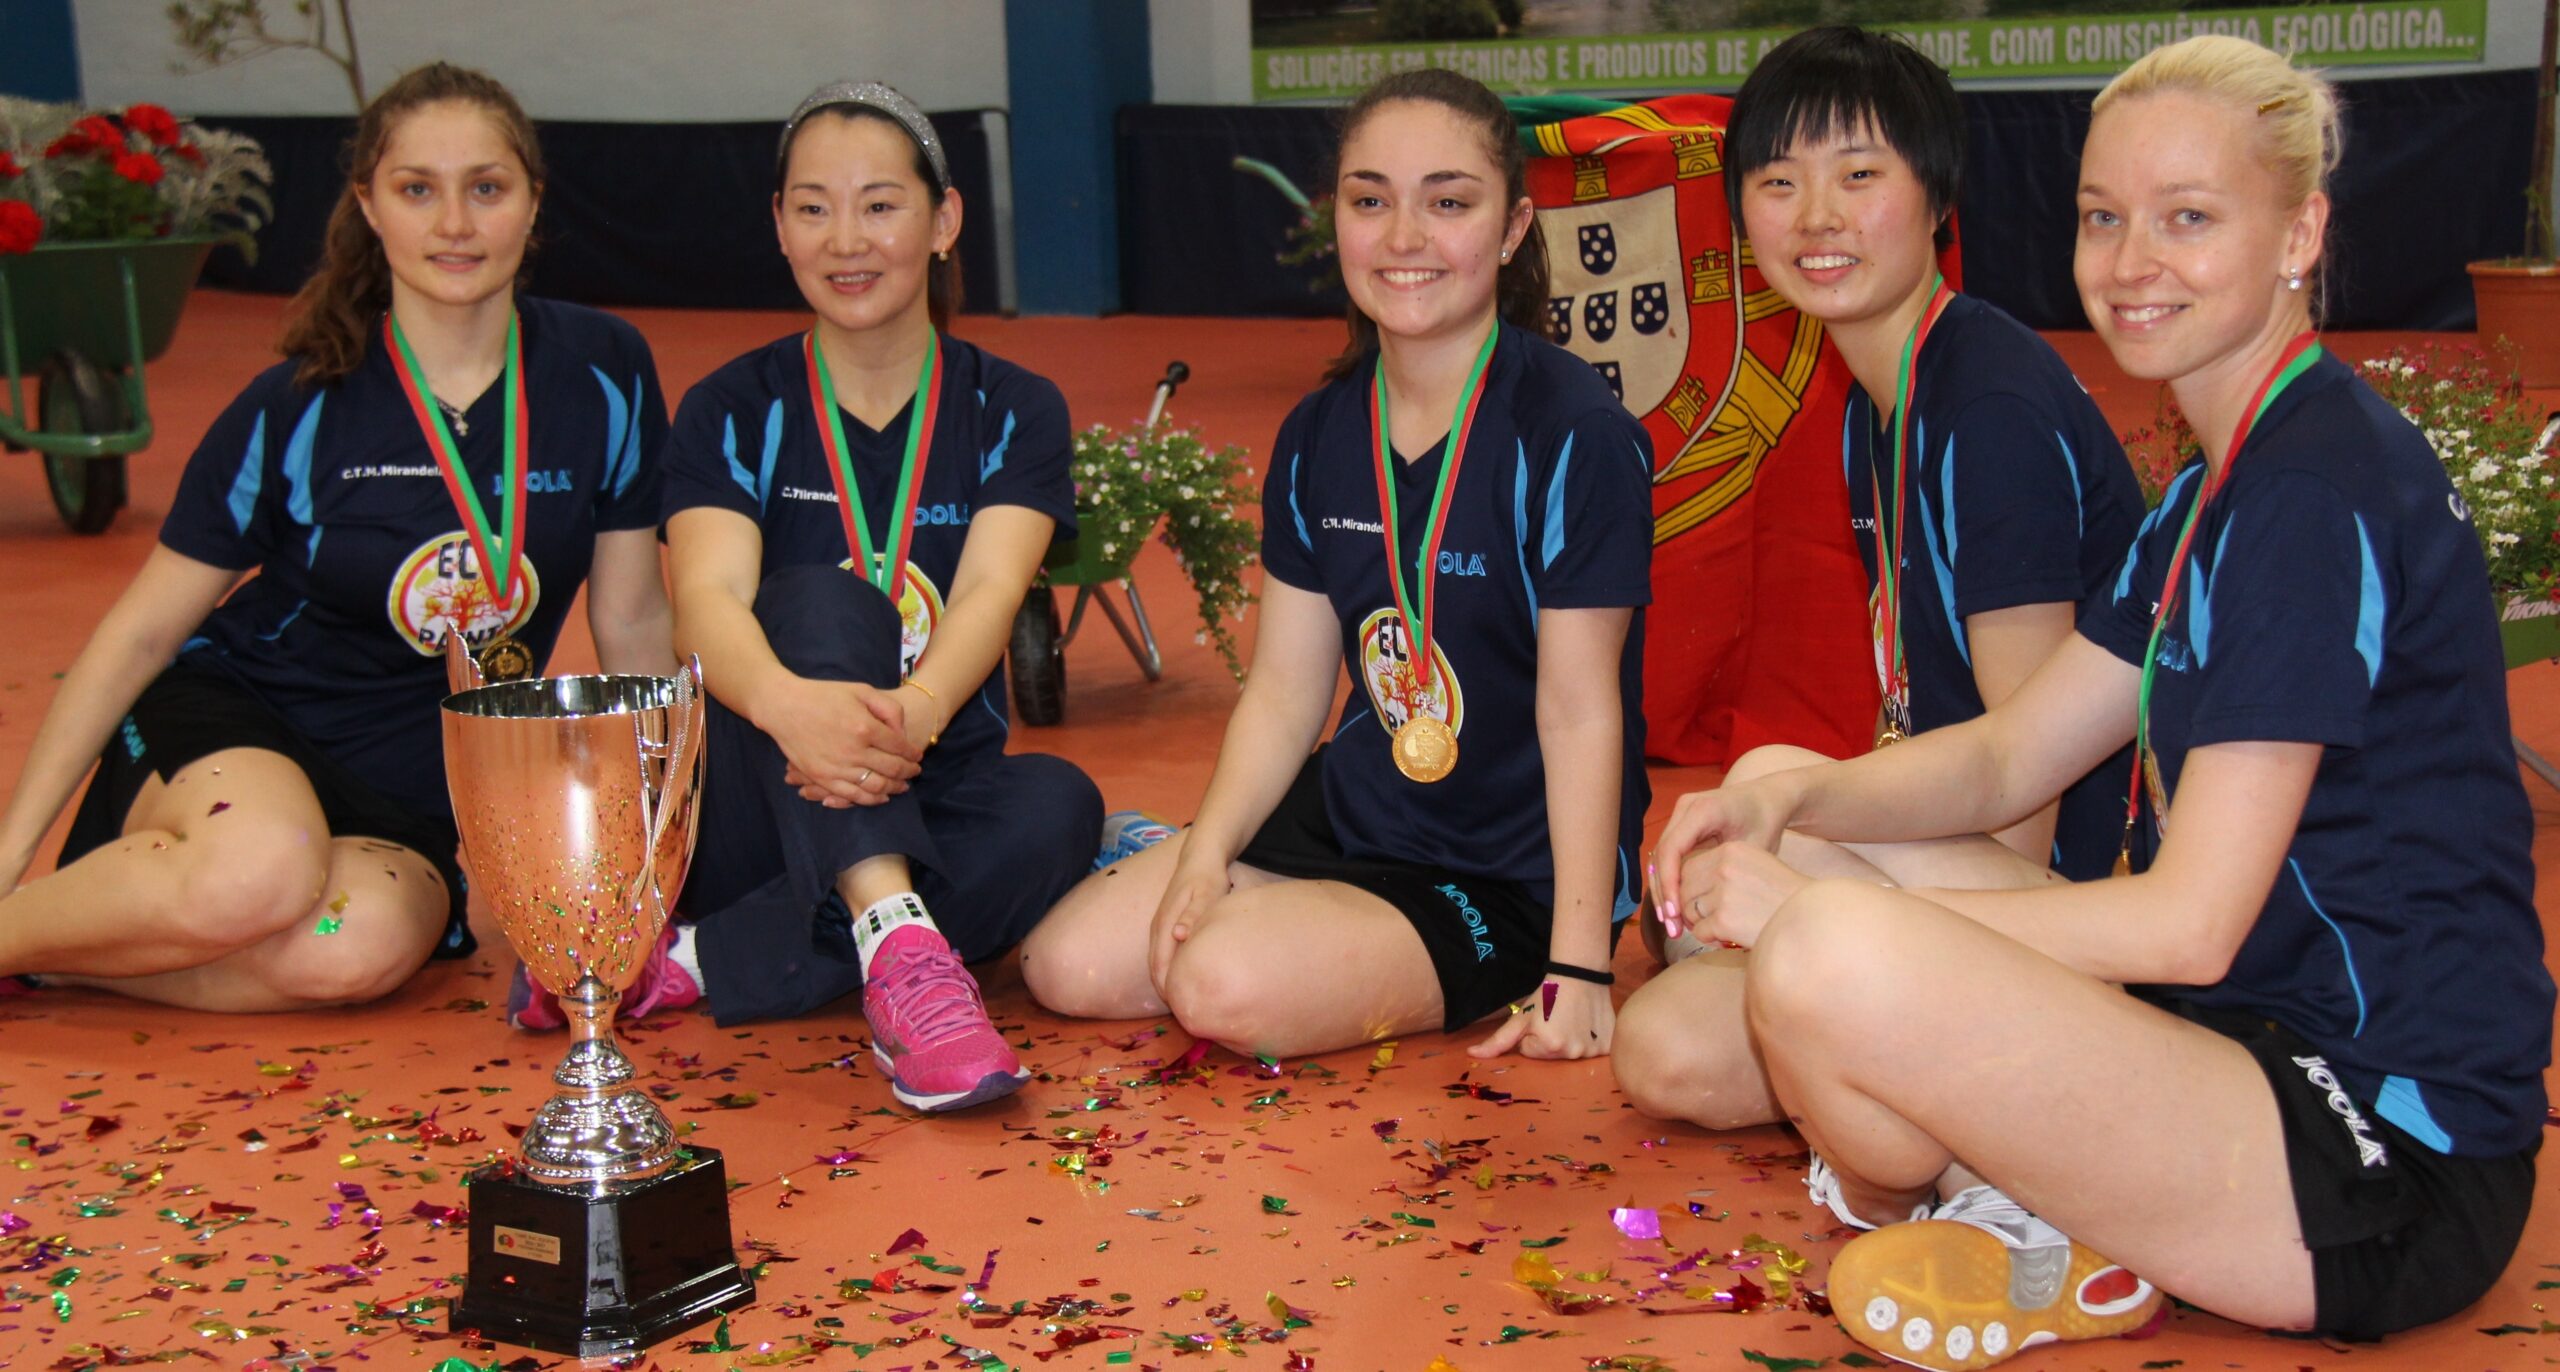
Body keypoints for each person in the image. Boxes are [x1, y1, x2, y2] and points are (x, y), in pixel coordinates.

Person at [1651, 35, 2549, 1370]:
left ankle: (2019, 1199)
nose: (2134, 262)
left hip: (2376, 1153)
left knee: (1829, 953)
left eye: (2189, 220)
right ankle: (2039, 1201)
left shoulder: (2306, 491)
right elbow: (2018, 751)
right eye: (2103, 218)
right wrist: (1786, 798)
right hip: (2235, 1042)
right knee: (1801, 816)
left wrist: (1825, 917)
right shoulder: (2213, 487)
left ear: (2300, 230)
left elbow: (2190, 926)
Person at [0, 63, 675, 1012]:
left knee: (344, 950)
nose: (454, 223)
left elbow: (633, 618)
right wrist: (6, 849)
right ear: (368, 205)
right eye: (416, 190)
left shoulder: (605, 373)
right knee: (262, 874)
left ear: (532, 201)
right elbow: (142, 633)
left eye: (486, 188)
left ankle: (81, 946)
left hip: (404, 803)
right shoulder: (301, 405)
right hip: (243, 728)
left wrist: (664, 842)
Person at [1020, 67, 1653, 1062]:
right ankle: (1251, 886)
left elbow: (1580, 710)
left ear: (1514, 227)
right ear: (1338, 222)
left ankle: (1382, 937)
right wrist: (1212, 847)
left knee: (1220, 987)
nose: (1403, 237)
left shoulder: (1572, 433)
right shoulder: (1319, 434)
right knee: (1069, 966)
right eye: (1371, 200)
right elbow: (1283, 690)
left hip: (1508, 867)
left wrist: (1579, 961)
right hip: (1357, 811)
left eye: (1447, 202)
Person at [1611, 23, 2146, 1138]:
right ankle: (1909, 1070)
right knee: (1668, 1047)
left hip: (2081, 909)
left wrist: (1814, 891)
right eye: (1778, 181)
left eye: (1859, 176)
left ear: (1936, 195)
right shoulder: (1879, 396)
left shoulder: (1987, 409)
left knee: (1767, 806)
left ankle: (1972, 1087)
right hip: (1966, 872)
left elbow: (2025, 801)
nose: (1816, 217)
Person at [660, 82, 1100, 1113]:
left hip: (928, 769)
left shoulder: (1014, 409)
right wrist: (788, 706)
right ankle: (906, 959)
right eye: (812, 207)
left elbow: (993, 586)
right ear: (778, 226)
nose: (845, 239)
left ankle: (707, 956)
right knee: (820, 600)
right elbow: (708, 600)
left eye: (880, 205)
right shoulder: (732, 406)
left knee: (1061, 804)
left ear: (943, 221)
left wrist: (913, 714)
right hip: (758, 789)